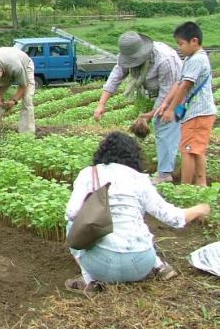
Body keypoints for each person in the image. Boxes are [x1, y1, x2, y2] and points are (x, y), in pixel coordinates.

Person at [65, 131, 210, 294]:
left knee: (71, 224)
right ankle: (160, 266)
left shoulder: (90, 173)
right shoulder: (140, 179)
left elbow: (72, 212)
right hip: (141, 265)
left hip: (102, 267)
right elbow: (174, 218)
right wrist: (200, 209)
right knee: (138, 223)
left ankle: (90, 281)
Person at [94, 31, 182, 185]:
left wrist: (150, 115)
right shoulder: (127, 57)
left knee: (164, 126)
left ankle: (165, 174)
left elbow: (167, 93)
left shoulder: (164, 59)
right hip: (151, 93)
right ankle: (168, 163)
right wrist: (101, 104)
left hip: (177, 94)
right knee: (161, 127)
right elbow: (115, 77)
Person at [157, 22, 217, 186]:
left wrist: (171, 110)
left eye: (181, 44)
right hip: (198, 112)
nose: (179, 48)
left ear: (194, 41)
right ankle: (201, 185)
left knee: (188, 150)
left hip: (198, 113)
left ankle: (185, 188)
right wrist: (166, 103)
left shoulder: (197, 59)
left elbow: (184, 86)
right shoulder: (191, 59)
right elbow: (179, 82)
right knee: (196, 150)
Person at [0, 47, 35, 138]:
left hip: (25, 65)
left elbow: (23, 85)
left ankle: (26, 133)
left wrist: (14, 100)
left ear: (1, 71)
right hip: (5, 62)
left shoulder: (16, 67)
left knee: (27, 98)